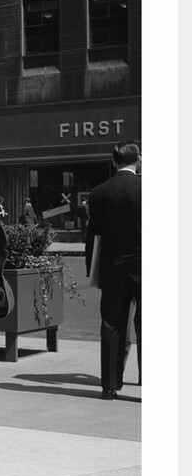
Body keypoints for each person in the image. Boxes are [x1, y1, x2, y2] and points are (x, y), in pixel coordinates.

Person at [85, 141, 141, 399]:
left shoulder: (99, 192)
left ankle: (109, 385)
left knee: (111, 325)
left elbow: (92, 235)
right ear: (137, 159)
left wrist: (91, 268)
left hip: (112, 267)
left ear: (113, 162)